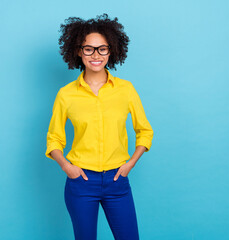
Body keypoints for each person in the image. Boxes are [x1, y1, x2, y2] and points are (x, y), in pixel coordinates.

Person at [45, 13, 154, 240]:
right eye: (89, 49)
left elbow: (145, 130)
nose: (96, 55)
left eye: (102, 49)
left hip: (117, 181)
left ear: (111, 50)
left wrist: (130, 164)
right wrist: (67, 167)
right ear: (78, 51)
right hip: (81, 183)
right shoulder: (66, 94)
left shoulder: (126, 90)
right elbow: (54, 139)